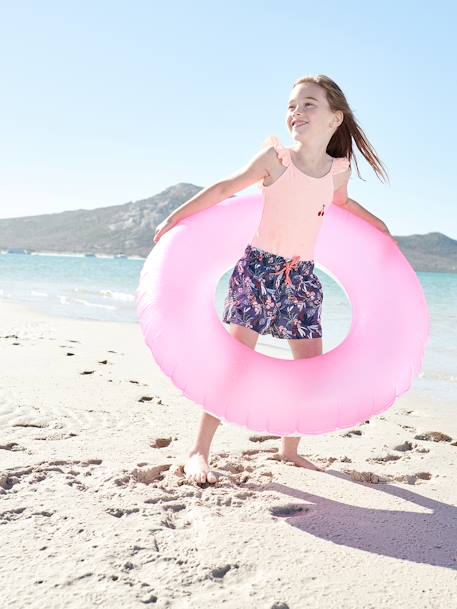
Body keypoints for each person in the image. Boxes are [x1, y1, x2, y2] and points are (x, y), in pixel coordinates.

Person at [153, 74, 392, 485]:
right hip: (259, 271)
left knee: (309, 368)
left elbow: (342, 202)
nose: (296, 112)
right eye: (292, 105)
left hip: (302, 277)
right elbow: (226, 187)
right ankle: (199, 449)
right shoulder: (276, 159)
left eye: (308, 104)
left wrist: (379, 226)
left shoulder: (337, 169)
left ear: (336, 118)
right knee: (234, 362)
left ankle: (289, 448)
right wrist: (176, 217)